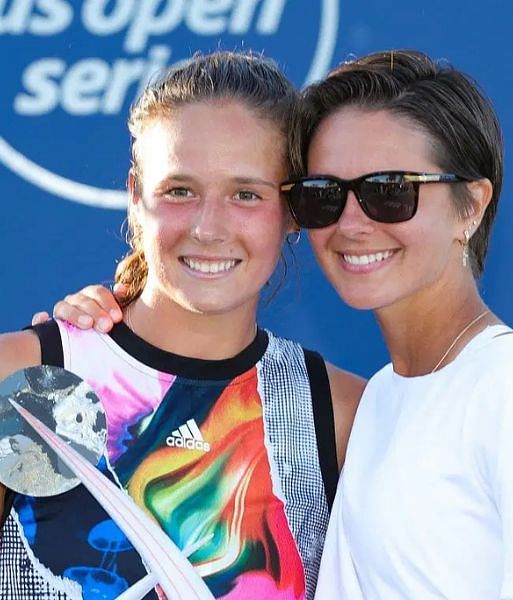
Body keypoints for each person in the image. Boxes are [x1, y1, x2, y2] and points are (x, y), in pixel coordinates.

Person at [52, 50, 513, 599]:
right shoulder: (377, 402)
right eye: (326, 195)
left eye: (390, 191)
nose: (353, 223)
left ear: (470, 207)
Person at [3, 52, 364, 599]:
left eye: (246, 193)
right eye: (179, 190)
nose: (208, 227)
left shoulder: (337, 414)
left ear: (292, 213)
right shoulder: (26, 380)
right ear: (134, 194)